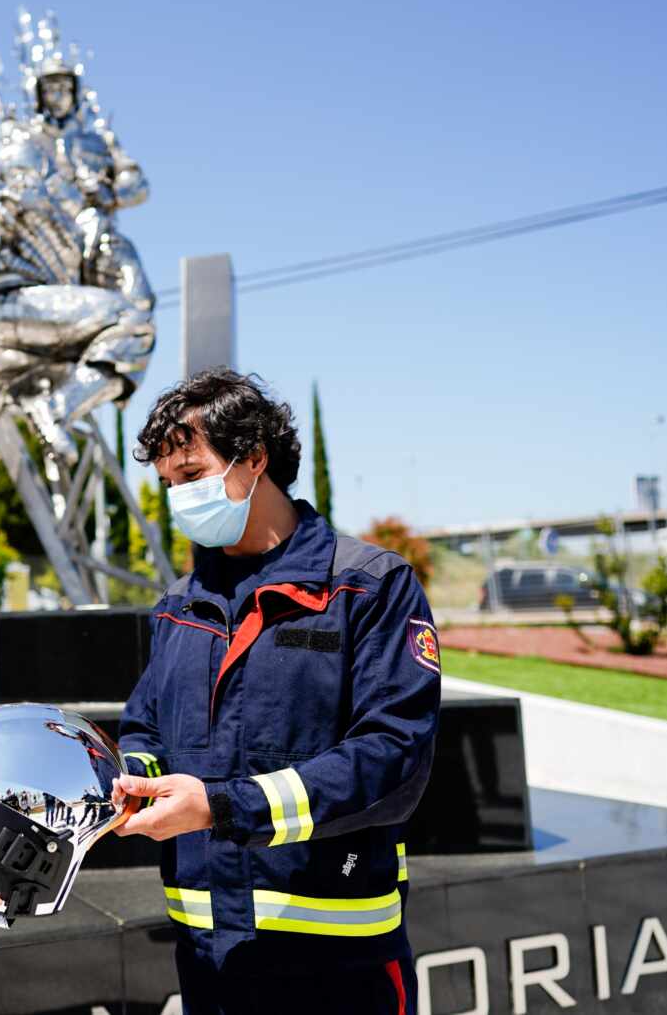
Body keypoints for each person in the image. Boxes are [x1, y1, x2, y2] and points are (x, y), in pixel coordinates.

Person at [111, 368, 441, 1015]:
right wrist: (133, 783)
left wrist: (225, 807)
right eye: (169, 484)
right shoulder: (178, 605)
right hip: (210, 959)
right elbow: (145, 727)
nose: (178, 496)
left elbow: (395, 755)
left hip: (341, 966)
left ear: (254, 459)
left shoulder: (370, 586)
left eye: (192, 474)